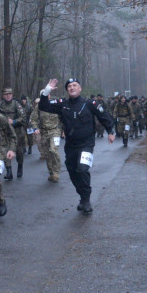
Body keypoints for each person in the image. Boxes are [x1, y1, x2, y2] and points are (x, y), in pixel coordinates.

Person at [37, 78, 115, 214]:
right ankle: (82, 195)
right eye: (69, 86)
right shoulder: (62, 104)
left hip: (86, 144)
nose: (72, 88)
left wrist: (110, 131)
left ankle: (86, 200)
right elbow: (43, 106)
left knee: (83, 169)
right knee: (72, 171)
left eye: (75, 85)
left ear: (80, 89)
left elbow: (104, 116)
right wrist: (47, 90)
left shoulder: (90, 103)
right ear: (67, 90)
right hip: (71, 145)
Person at [0, 87, 27, 180]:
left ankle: (20, 166)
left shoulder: (16, 104)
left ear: (12, 95)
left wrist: (14, 121)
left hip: (17, 131)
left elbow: (23, 117)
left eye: (9, 94)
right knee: (5, 150)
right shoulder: (0, 105)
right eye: (6, 94)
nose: (8, 96)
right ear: (3, 96)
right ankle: (9, 171)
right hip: (5, 132)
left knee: (19, 151)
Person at [30, 97, 62, 182]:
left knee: (53, 150)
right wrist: (35, 128)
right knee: (47, 153)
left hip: (55, 131)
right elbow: (33, 119)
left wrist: (64, 130)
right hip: (44, 132)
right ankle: (51, 173)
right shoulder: (39, 106)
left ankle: (56, 172)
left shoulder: (55, 103)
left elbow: (63, 116)